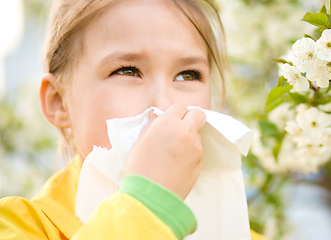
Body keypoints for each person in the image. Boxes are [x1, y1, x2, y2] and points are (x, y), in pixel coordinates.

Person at [0, 0, 267, 239]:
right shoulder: (19, 226)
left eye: (188, 75)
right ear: (59, 102)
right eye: (127, 71)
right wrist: (148, 203)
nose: (164, 105)